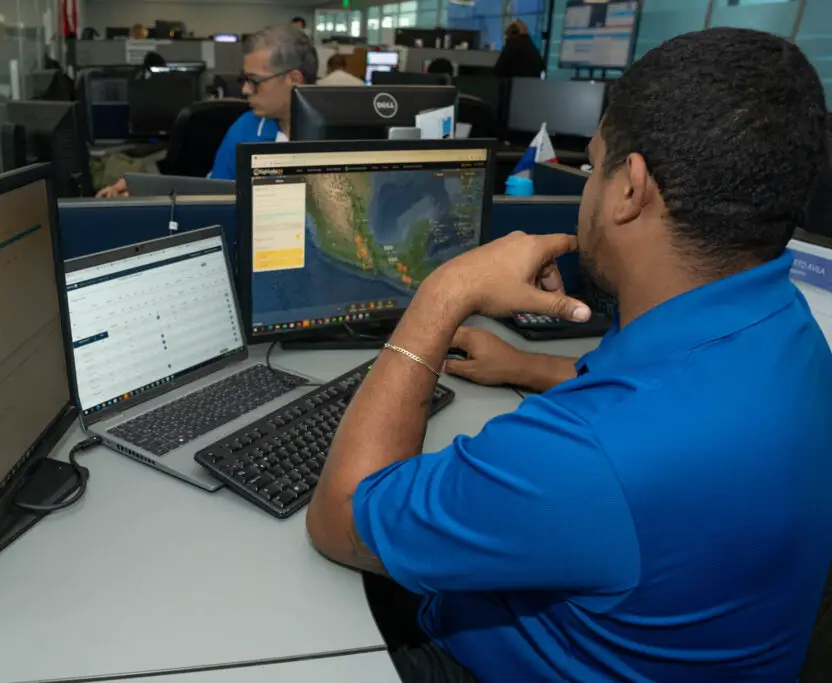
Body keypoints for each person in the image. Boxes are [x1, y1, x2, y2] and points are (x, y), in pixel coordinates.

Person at [305, 27, 832, 683]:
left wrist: (445, 292)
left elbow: (337, 517)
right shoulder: (794, 331)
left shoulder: (585, 454)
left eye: (594, 163)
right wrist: (527, 367)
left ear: (629, 187)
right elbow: (664, 399)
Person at [94, 24, 316, 197]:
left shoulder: (343, 132)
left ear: (294, 80)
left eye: (255, 81)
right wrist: (148, 190)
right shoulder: (244, 129)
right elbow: (212, 196)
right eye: (244, 80)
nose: (245, 90)